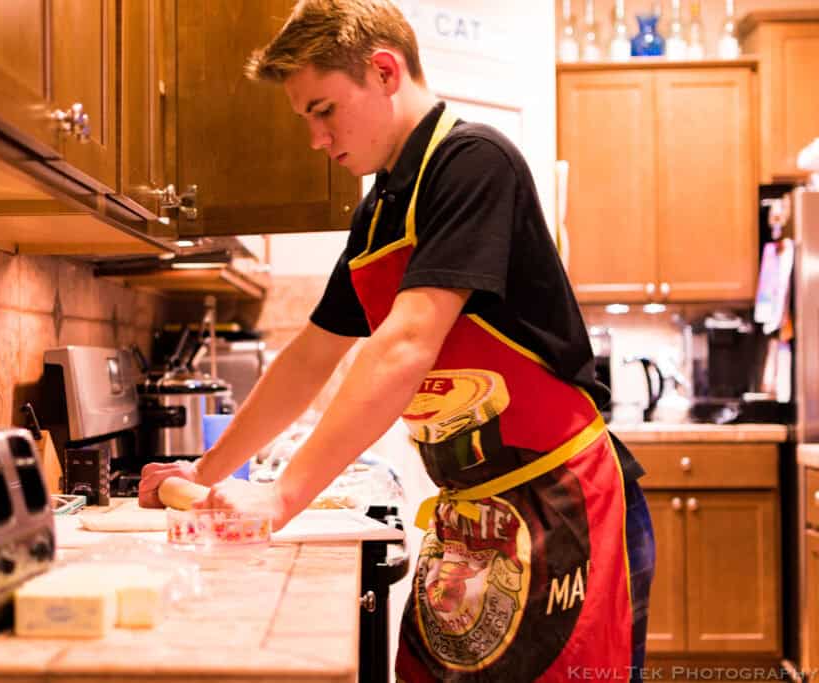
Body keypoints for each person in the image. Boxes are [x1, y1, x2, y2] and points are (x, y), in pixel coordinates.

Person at [138, 1, 655, 680]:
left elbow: (406, 342)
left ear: (384, 70)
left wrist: (281, 497)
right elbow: (310, 356)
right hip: (472, 518)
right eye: (306, 119)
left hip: (561, 509)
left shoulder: (475, 164)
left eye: (323, 109)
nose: (316, 138)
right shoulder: (381, 208)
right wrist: (204, 472)